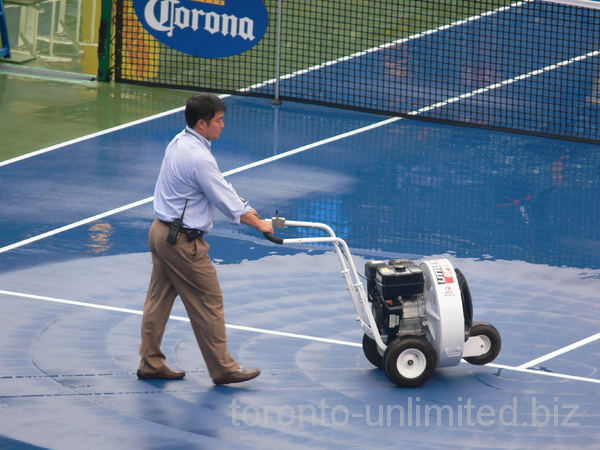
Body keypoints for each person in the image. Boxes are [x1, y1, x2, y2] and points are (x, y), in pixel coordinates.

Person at [137, 93, 274, 385]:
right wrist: (258, 223)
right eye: (219, 120)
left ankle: (150, 362)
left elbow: (220, 187)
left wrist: (247, 208)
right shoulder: (200, 158)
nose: (223, 125)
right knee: (209, 301)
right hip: (182, 243)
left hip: (161, 233)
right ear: (202, 124)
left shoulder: (181, 142)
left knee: (158, 301)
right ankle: (223, 368)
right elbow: (225, 199)